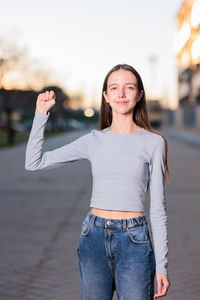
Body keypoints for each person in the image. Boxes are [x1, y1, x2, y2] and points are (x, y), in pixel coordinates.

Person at [25, 64, 170, 299]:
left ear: (139, 94)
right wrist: (41, 115)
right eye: (114, 88)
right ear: (106, 96)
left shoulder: (153, 143)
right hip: (93, 237)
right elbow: (33, 162)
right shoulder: (93, 140)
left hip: (135, 241)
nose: (121, 94)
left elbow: (158, 209)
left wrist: (162, 266)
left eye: (129, 87)